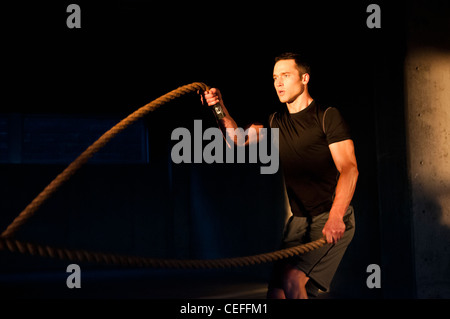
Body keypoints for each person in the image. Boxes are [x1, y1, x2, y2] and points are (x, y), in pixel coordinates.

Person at [202, 52, 359, 299]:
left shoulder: (327, 116)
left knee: (292, 279)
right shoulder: (276, 122)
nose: (279, 83)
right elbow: (236, 140)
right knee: (276, 292)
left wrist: (337, 216)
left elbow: (349, 168)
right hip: (297, 222)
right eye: (275, 77)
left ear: (305, 78)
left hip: (329, 217)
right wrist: (218, 107)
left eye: (286, 76)